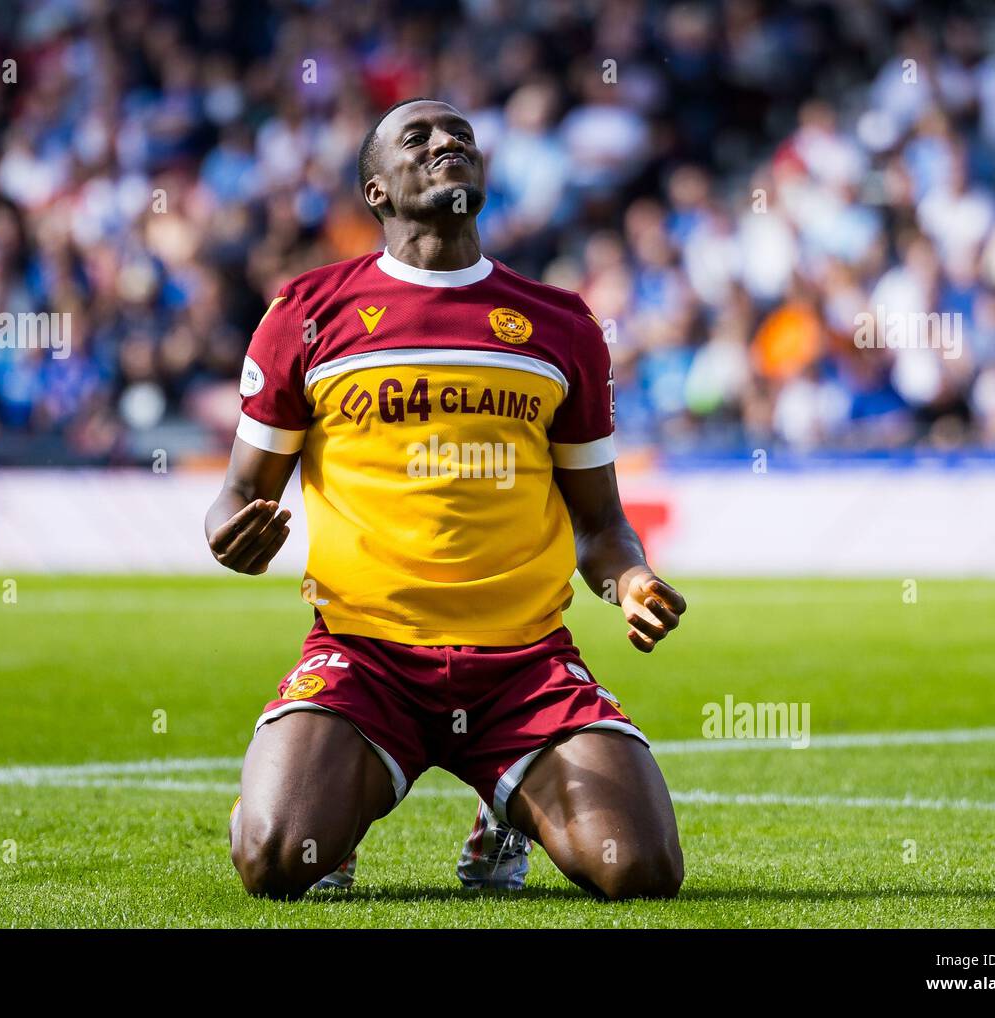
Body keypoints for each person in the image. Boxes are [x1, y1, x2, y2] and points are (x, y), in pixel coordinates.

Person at [206, 99, 686, 900]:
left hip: (525, 665)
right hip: (366, 655)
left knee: (639, 871)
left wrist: (631, 580)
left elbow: (601, 525)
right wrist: (229, 536)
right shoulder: (306, 314)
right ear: (376, 190)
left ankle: (502, 808)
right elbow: (235, 495)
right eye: (418, 136)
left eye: (460, 134)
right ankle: (335, 809)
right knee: (277, 857)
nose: (445, 142)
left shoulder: (561, 326)